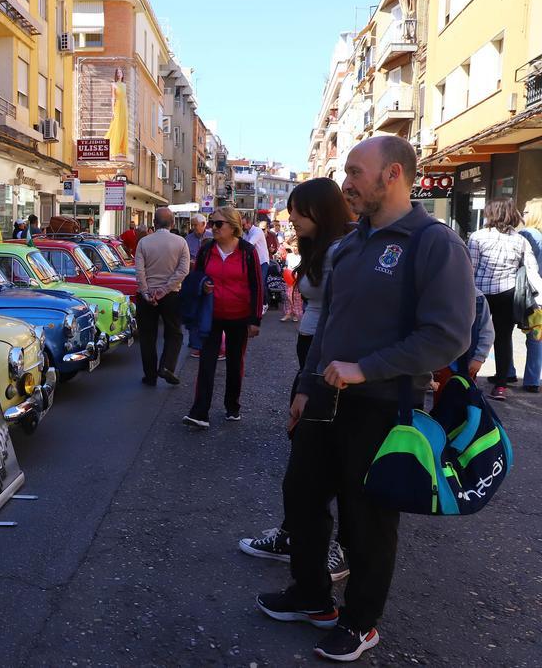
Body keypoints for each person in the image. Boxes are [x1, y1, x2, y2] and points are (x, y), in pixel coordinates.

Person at [262, 136, 475, 662]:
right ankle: (312, 596)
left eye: (356, 172)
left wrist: (367, 369)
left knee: (368, 522)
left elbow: (449, 335)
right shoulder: (351, 244)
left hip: (384, 406)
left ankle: (361, 623)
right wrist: (307, 386)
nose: (347, 183)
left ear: (393, 175)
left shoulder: (434, 243)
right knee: (302, 498)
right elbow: (329, 325)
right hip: (325, 401)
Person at [239, 177, 354, 580]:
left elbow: (342, 317)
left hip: (332, 364)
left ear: (321, 211)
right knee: (304, 455)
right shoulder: (319, 248)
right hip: (313, 356)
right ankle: (296, 533)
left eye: (298, 210)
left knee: (324, 458)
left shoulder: (342, 251)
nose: (292, 217)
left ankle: (336, 546)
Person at [182, 207, 263, 429]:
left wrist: (255, 319)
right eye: (211, 223)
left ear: (232, 226)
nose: (212, 228)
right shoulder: (207, 250)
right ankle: (199, 413)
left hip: (239, 316)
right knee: (206, 363)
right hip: (212, 316)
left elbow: (257, 285)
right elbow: (196, 277)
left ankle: (232, 406)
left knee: (235, 364)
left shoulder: (247, 251)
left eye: (218, 224)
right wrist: (202, 285)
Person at [467, 197, 542, 400]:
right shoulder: (520, 240)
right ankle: (500, 386)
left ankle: (468, 378)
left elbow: (470, 268)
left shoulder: (477, 237)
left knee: (473, 335)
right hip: (508, 294)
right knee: (503, 338)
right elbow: (532, 270)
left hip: (479, 293)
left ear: (490, 213)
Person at [134, 207, 189, 386]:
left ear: (154, 223)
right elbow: (183, 271)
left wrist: (146, 291)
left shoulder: (143, 243)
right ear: (172, 223)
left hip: (147, 296)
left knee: (147, 336)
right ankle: (167, 366)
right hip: (171, 295)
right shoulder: (181, 243)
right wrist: (164, 290)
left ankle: (150, 376)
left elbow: (139, 271)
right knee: (174, 333)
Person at [521, 199, 542, 393]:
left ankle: (528, 378)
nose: (522, 215)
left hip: (529, 292)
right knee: (537, 335)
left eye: (526, 212)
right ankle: (533, 377)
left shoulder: (528, 235)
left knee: (532, 336)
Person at [242, 212, 273, 290]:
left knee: (260, 285)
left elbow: (249, 245)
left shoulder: (257, 231)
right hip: (254, 262)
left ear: (249, 223)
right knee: (255, 285)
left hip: (262, 262)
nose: (242, 227)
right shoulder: (246, 233)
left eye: (243, 225)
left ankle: (264, 302)